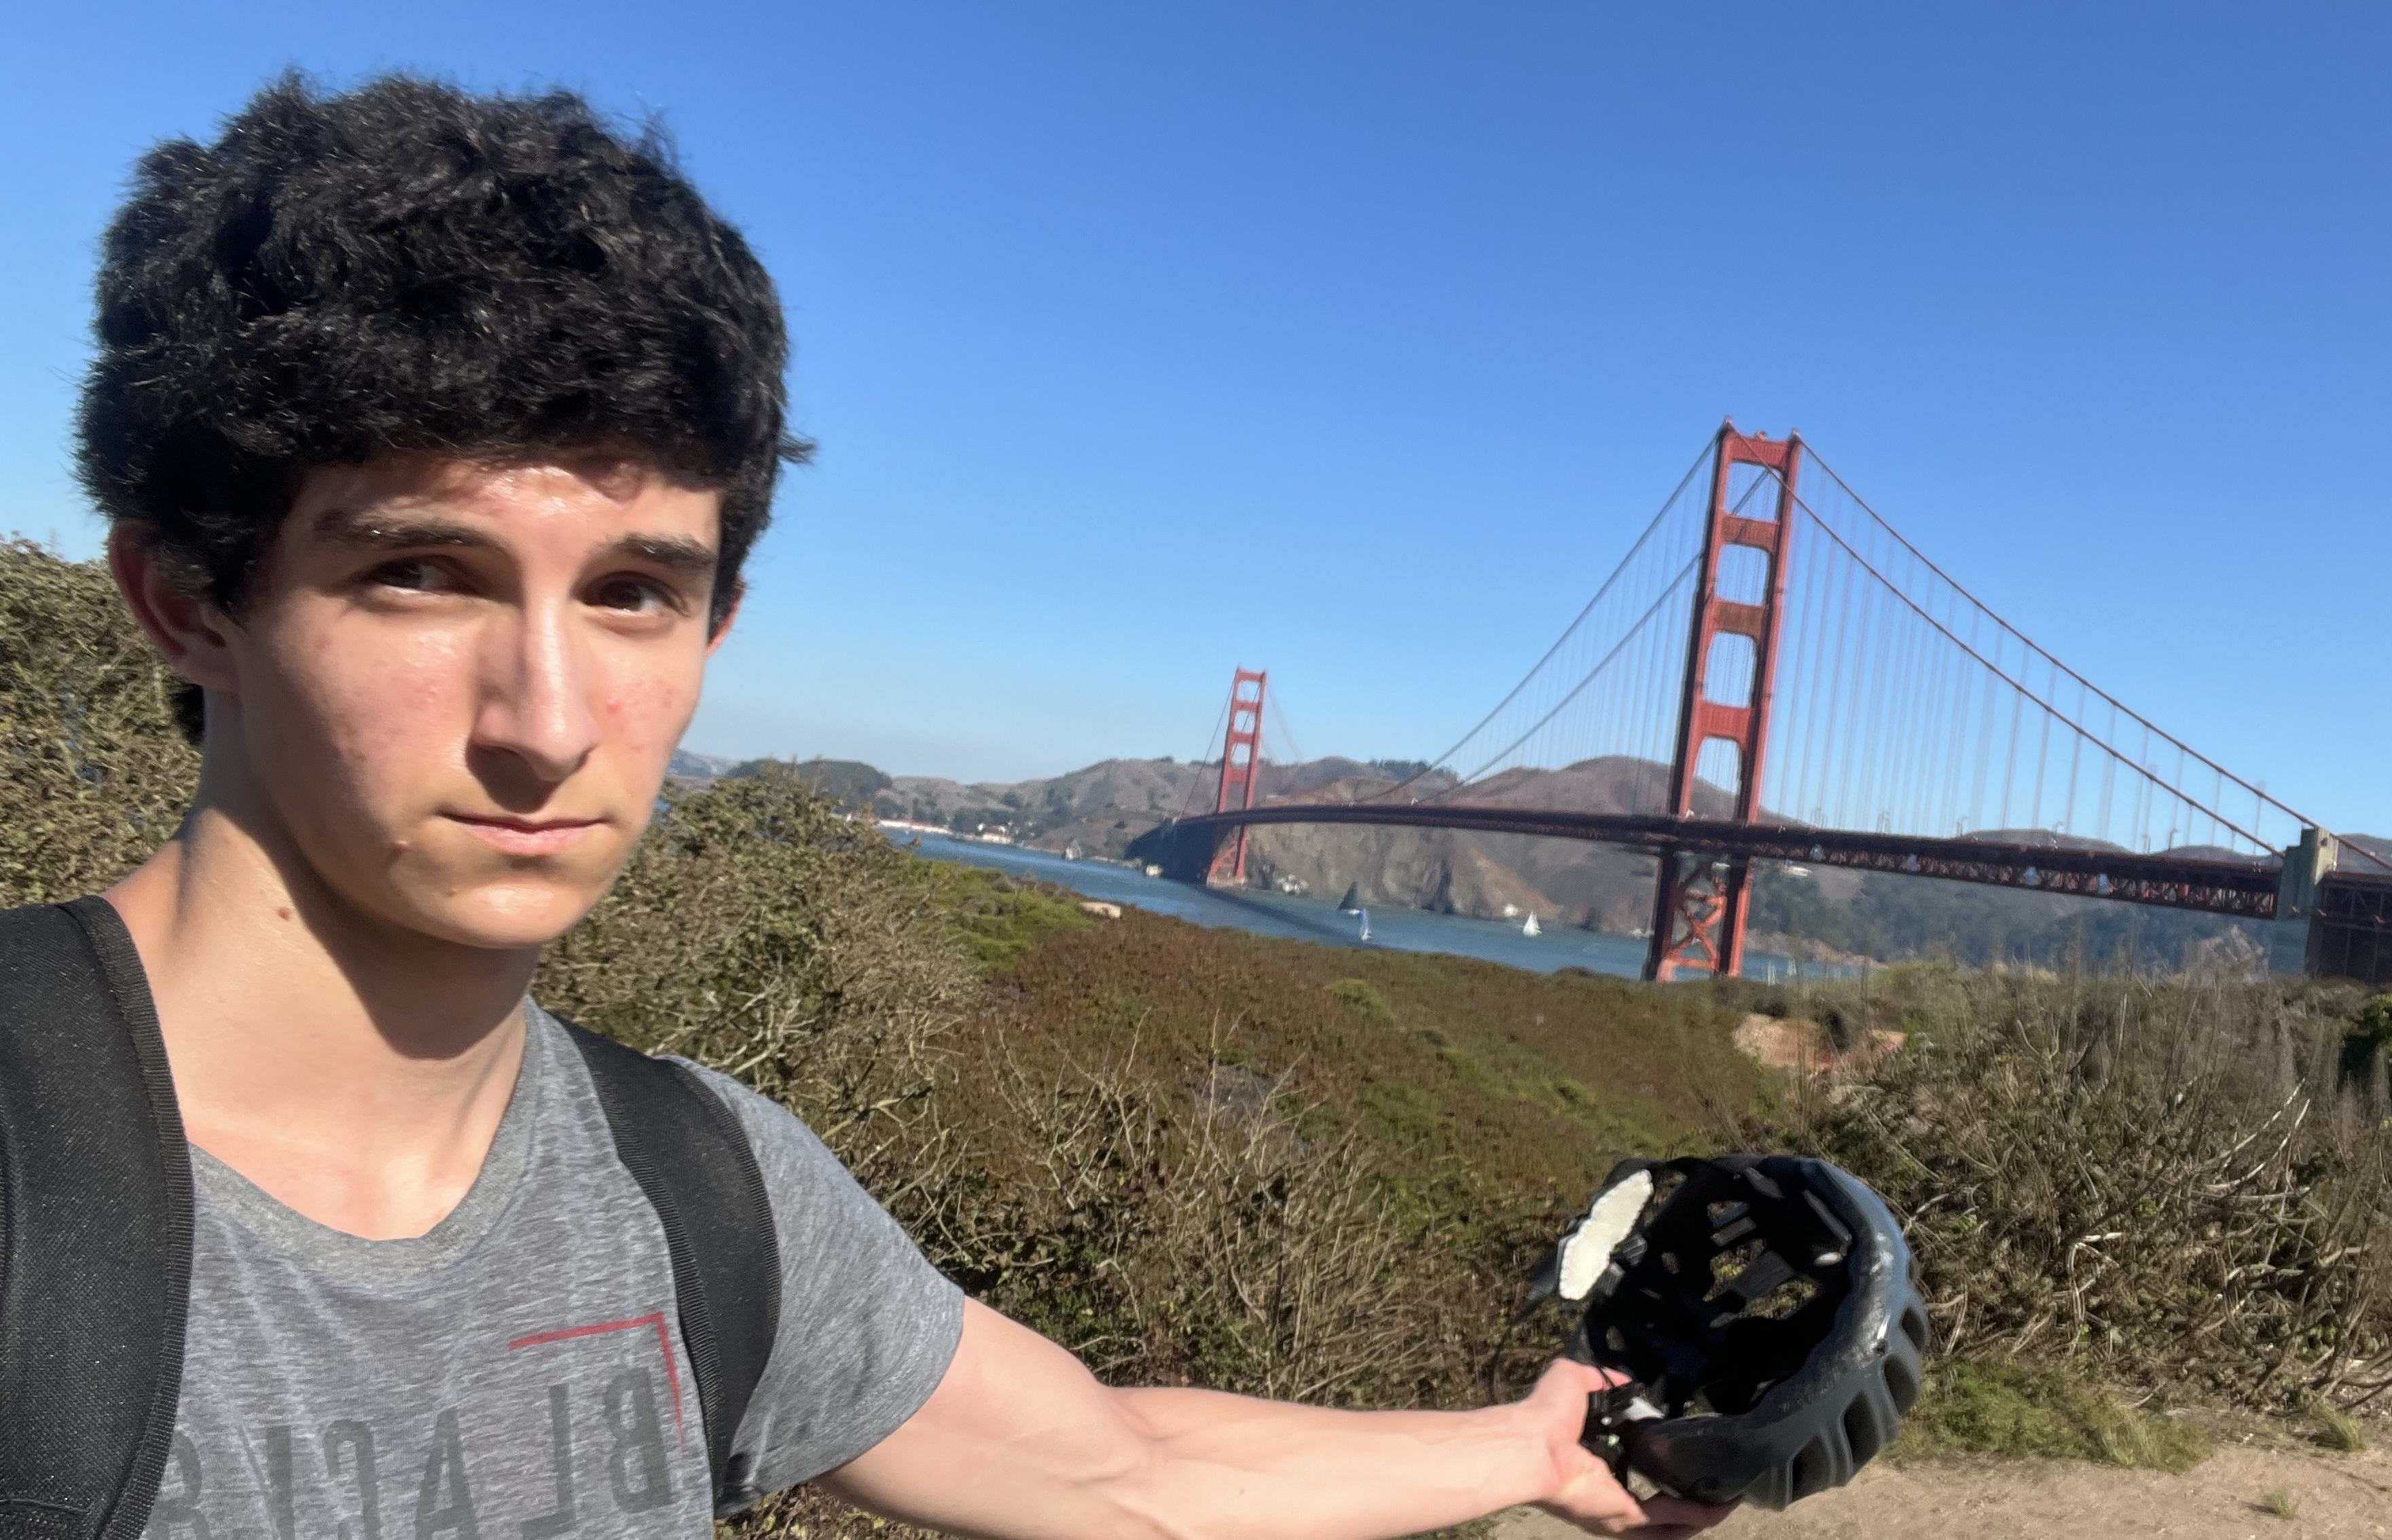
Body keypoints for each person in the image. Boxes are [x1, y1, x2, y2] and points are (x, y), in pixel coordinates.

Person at [24, 71, 1728, 1540]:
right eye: (420, 573)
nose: (549, 724)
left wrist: (1536, 1452)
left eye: (634, 594)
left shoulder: (704, 1189)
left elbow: (1113, 1469)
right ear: (186, 599)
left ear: (717, 627)